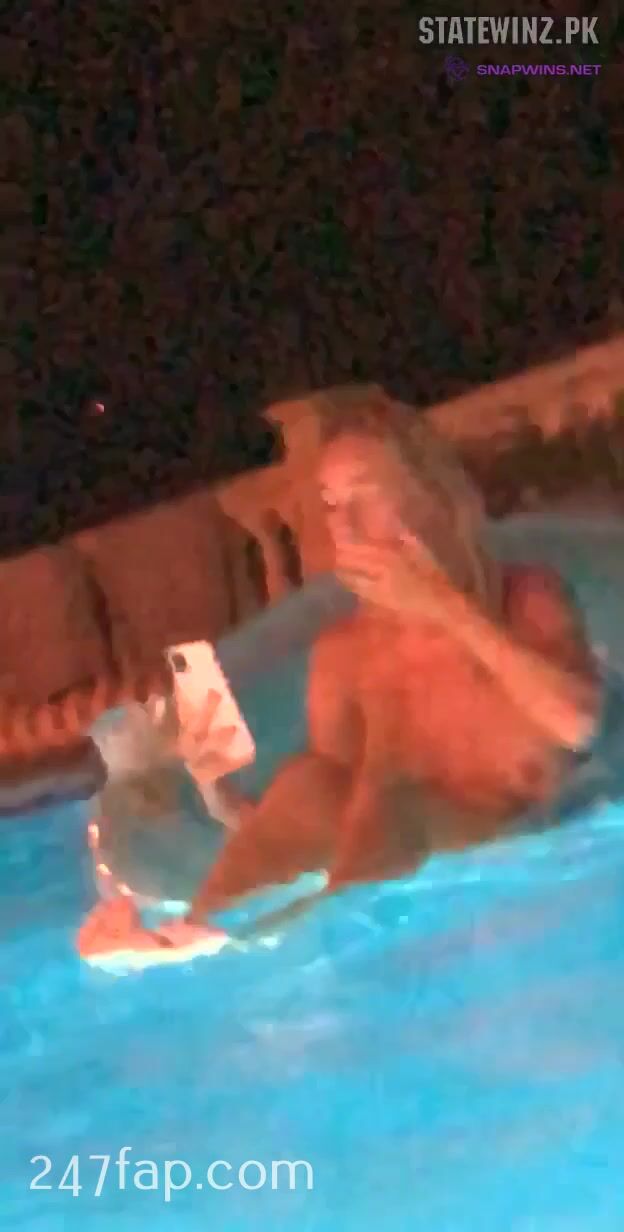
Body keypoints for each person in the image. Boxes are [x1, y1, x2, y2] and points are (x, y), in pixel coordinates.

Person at [185, 392, 600, 933]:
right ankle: (199, 932)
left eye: (365, 495)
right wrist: (232, 807)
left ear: (434, 497)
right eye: (331, 504)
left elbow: (581, 724)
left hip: (518, 869)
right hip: (395, 883)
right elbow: (327, 811)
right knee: (306, 782)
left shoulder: (523, 600)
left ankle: (315, 930)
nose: (344, 524)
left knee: (395, 802)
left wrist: (446, 609)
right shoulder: (343, 654)